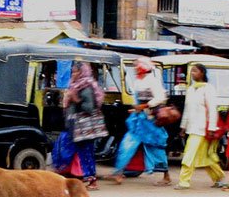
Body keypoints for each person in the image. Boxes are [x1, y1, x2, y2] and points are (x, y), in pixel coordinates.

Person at [109, 57, 171, 186]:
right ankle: (119, 172)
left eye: (137, 66)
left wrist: (145, 106)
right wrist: (136, 109)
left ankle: (166, 175)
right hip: (138, 120)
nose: (136, 68)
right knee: (127, 144)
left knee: (156, 148)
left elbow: (161, 98)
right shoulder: (137, 81)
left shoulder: (153, 81)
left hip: (151, 120)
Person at [53, 62, 108, 190]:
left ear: (82, 72)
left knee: (86, 153)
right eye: (72, 72)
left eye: (76, 72)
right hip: (76, 127)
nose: (73, 74)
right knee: (74, 151)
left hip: (85, 128)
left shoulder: (86, 87)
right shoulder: (76, 86)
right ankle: (78, 176)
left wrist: (75, 99)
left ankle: (92, 180)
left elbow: (89, 107)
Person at [175, 64, 228, 190]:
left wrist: (211, 128)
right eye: (191, 71)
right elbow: (187, 110)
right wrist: (183, 127)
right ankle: (219, 178)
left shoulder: (208, 89)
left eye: (195, 71)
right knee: (205, 157)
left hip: (203, 128)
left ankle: (184, 181)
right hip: (192, 128)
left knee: (189, 154)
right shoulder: (191, 89)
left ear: (202, 73)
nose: (192, 73)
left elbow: (212, 110)